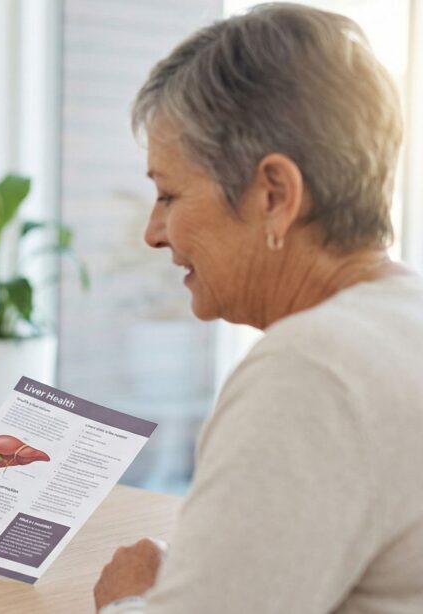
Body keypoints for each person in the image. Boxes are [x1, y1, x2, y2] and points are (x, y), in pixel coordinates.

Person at [93, 4, 423, 613]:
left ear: (275, 195)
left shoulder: (312, 370)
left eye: (169, 194)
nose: (152, 232)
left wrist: (128, 599)